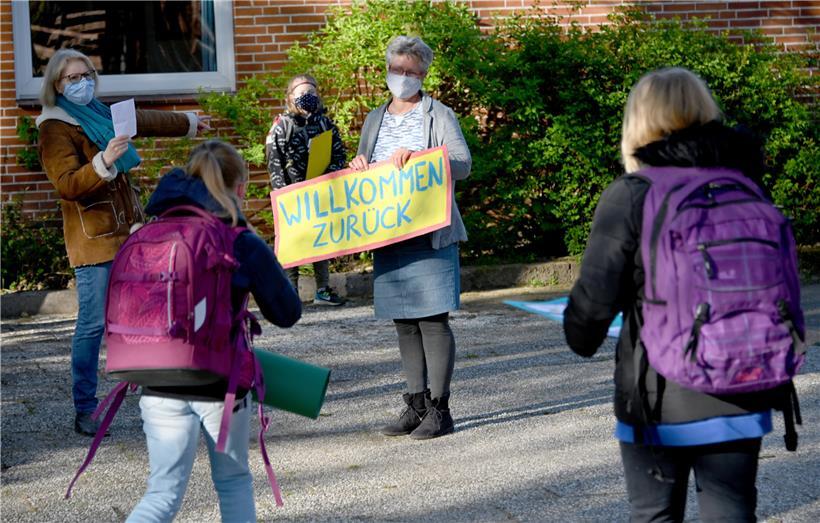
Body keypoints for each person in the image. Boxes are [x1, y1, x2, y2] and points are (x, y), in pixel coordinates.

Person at [564, 67, 783, 521]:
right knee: (732, 512)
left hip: (659, 394)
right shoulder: (745, 186)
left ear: (639, 122)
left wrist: (580, 335)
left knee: (655, 515)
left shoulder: (632, 195)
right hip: (743, 383)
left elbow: (592, 310)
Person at [36, 48, 210, 437]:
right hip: (94, 242)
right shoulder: (54, 127)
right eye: (71, 79)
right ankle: (85, 408)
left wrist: (188, 122)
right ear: (56, 85)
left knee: (150, 316)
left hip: (130, 233)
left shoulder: (98, 112)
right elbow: (67, 185)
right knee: (93, 325)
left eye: (86, 75)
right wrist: (103, 162)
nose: (81, 84)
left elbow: (141, 120)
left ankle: (167, 395)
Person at [126, 140, 302, 522]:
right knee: (233, 481)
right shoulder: (241, 241)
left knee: (161, 495)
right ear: (239, 187)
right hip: (219, 383)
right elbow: (287, 313)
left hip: (155, 378)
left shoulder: (153, 231)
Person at [349, 36, 472, 440]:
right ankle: (416, 403)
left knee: (432, 320)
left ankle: (441, 409)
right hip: (387, 232)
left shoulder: (439, 115)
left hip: (429, 230)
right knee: (404, 322)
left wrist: (420, 160)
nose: (402, 78)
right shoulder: (374, 118)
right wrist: (359, 165)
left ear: (424, 75)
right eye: (396, 69)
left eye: (411, 72)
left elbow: (462, 164)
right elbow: (364, 169)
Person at [266, 73, 347, 305]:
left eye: (311, 93)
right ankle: (291, 291)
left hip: (320, 192)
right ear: (290, 97)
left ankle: (323, 288)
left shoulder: (325, 124)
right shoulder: (281, 127)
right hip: (291, 194)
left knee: (322, 238)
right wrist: (282, 195)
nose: (307, 97)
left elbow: (339, 154)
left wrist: (329, 175)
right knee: (292, 242)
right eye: (301, 94)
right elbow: (274, 163)